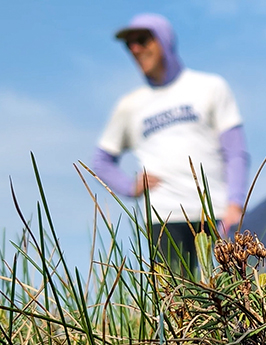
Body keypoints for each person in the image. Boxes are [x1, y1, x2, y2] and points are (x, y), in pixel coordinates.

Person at [91, 13, 250, 276]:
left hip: (217, 212)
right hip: (162, 217)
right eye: (129, 45)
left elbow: (235, 151)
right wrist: (130, 186)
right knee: (178, 300)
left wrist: (235, 203)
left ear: (164, 40)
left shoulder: (210, 87)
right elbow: (100, 162)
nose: (135, 49)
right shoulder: (129, 106)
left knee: (233, 290)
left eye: (142, 40)